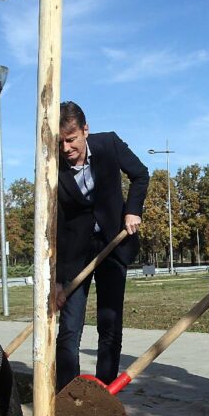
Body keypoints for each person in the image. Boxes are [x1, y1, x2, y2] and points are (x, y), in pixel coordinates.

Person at [54, 101, 149, 391]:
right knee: (69, 328)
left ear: (85, 130)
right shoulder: (51, 165)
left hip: (113, 245)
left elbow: (140, 174)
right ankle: (67, 395)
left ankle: (105, 393)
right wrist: (57, 279)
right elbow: (53, 223)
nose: (66, 149)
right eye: (60, 143)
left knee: (109, 323)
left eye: (71, 140)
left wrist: (132, 210)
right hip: (75, 255)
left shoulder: (108, 144)